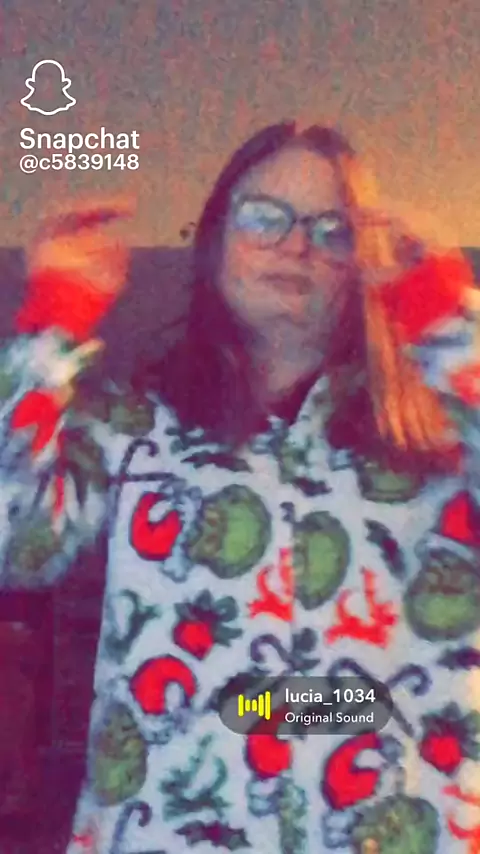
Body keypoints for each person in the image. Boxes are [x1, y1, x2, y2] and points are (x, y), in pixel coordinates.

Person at [2, 121, 480, 854]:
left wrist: (449, 324)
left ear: (363, 264)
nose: (296, 245)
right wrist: (49, 329)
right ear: (215, 241)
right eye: (264, 217)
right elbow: (14, 544)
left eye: (332, 229)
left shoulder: (440, 443)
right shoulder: (131, 425)